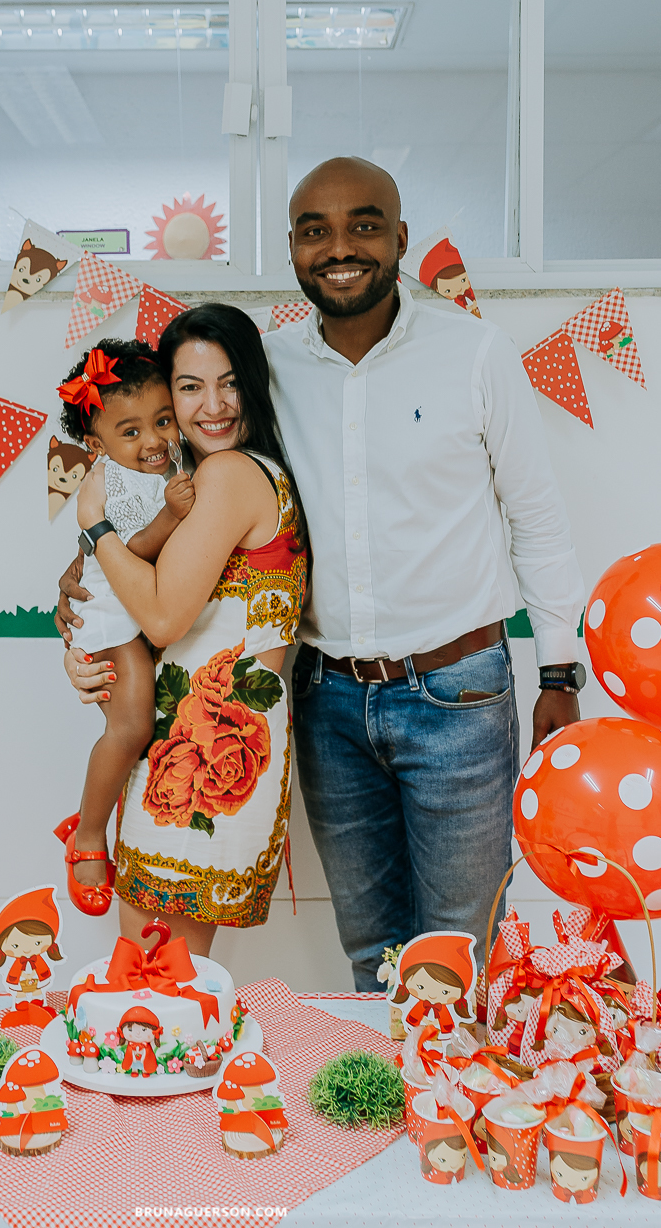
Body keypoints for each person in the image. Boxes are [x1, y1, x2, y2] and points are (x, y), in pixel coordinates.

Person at [59, 156, 585, 989]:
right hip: (327, 697)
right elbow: (168, 488)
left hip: (459, 692)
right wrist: (79, 595)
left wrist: (560, 673)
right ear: (295, 250)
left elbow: (540, 523)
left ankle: (459, 1108)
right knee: (372, 956)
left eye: (364, 225)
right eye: (315, 231)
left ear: (400, 238)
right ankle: (387, 1114)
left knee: (460, 956)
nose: (340, 247)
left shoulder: (476, 354)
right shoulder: (262, 368)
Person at [63, 304, 307, 955]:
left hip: (203, 757)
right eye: (191, 386)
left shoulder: (228, 475)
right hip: (197, 748)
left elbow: (164, 614)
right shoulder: (213, 480)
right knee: (169, 980)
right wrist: (82, 637)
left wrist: (94, 529)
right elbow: (150, 608)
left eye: (229, 382)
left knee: (157, 978)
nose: (213, 406)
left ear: (253, 382)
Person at [54, 339, 195, 914]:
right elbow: (130, 548)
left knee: (144, 729)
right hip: (114, 615)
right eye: (131, 431)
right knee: (133, 721)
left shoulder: (173, 462)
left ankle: (103, 813)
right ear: (97, 445)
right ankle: (87, 833)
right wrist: (172, 515)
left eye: (163, 421)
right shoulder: (110, 482)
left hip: (141, 611)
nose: (154, 440)